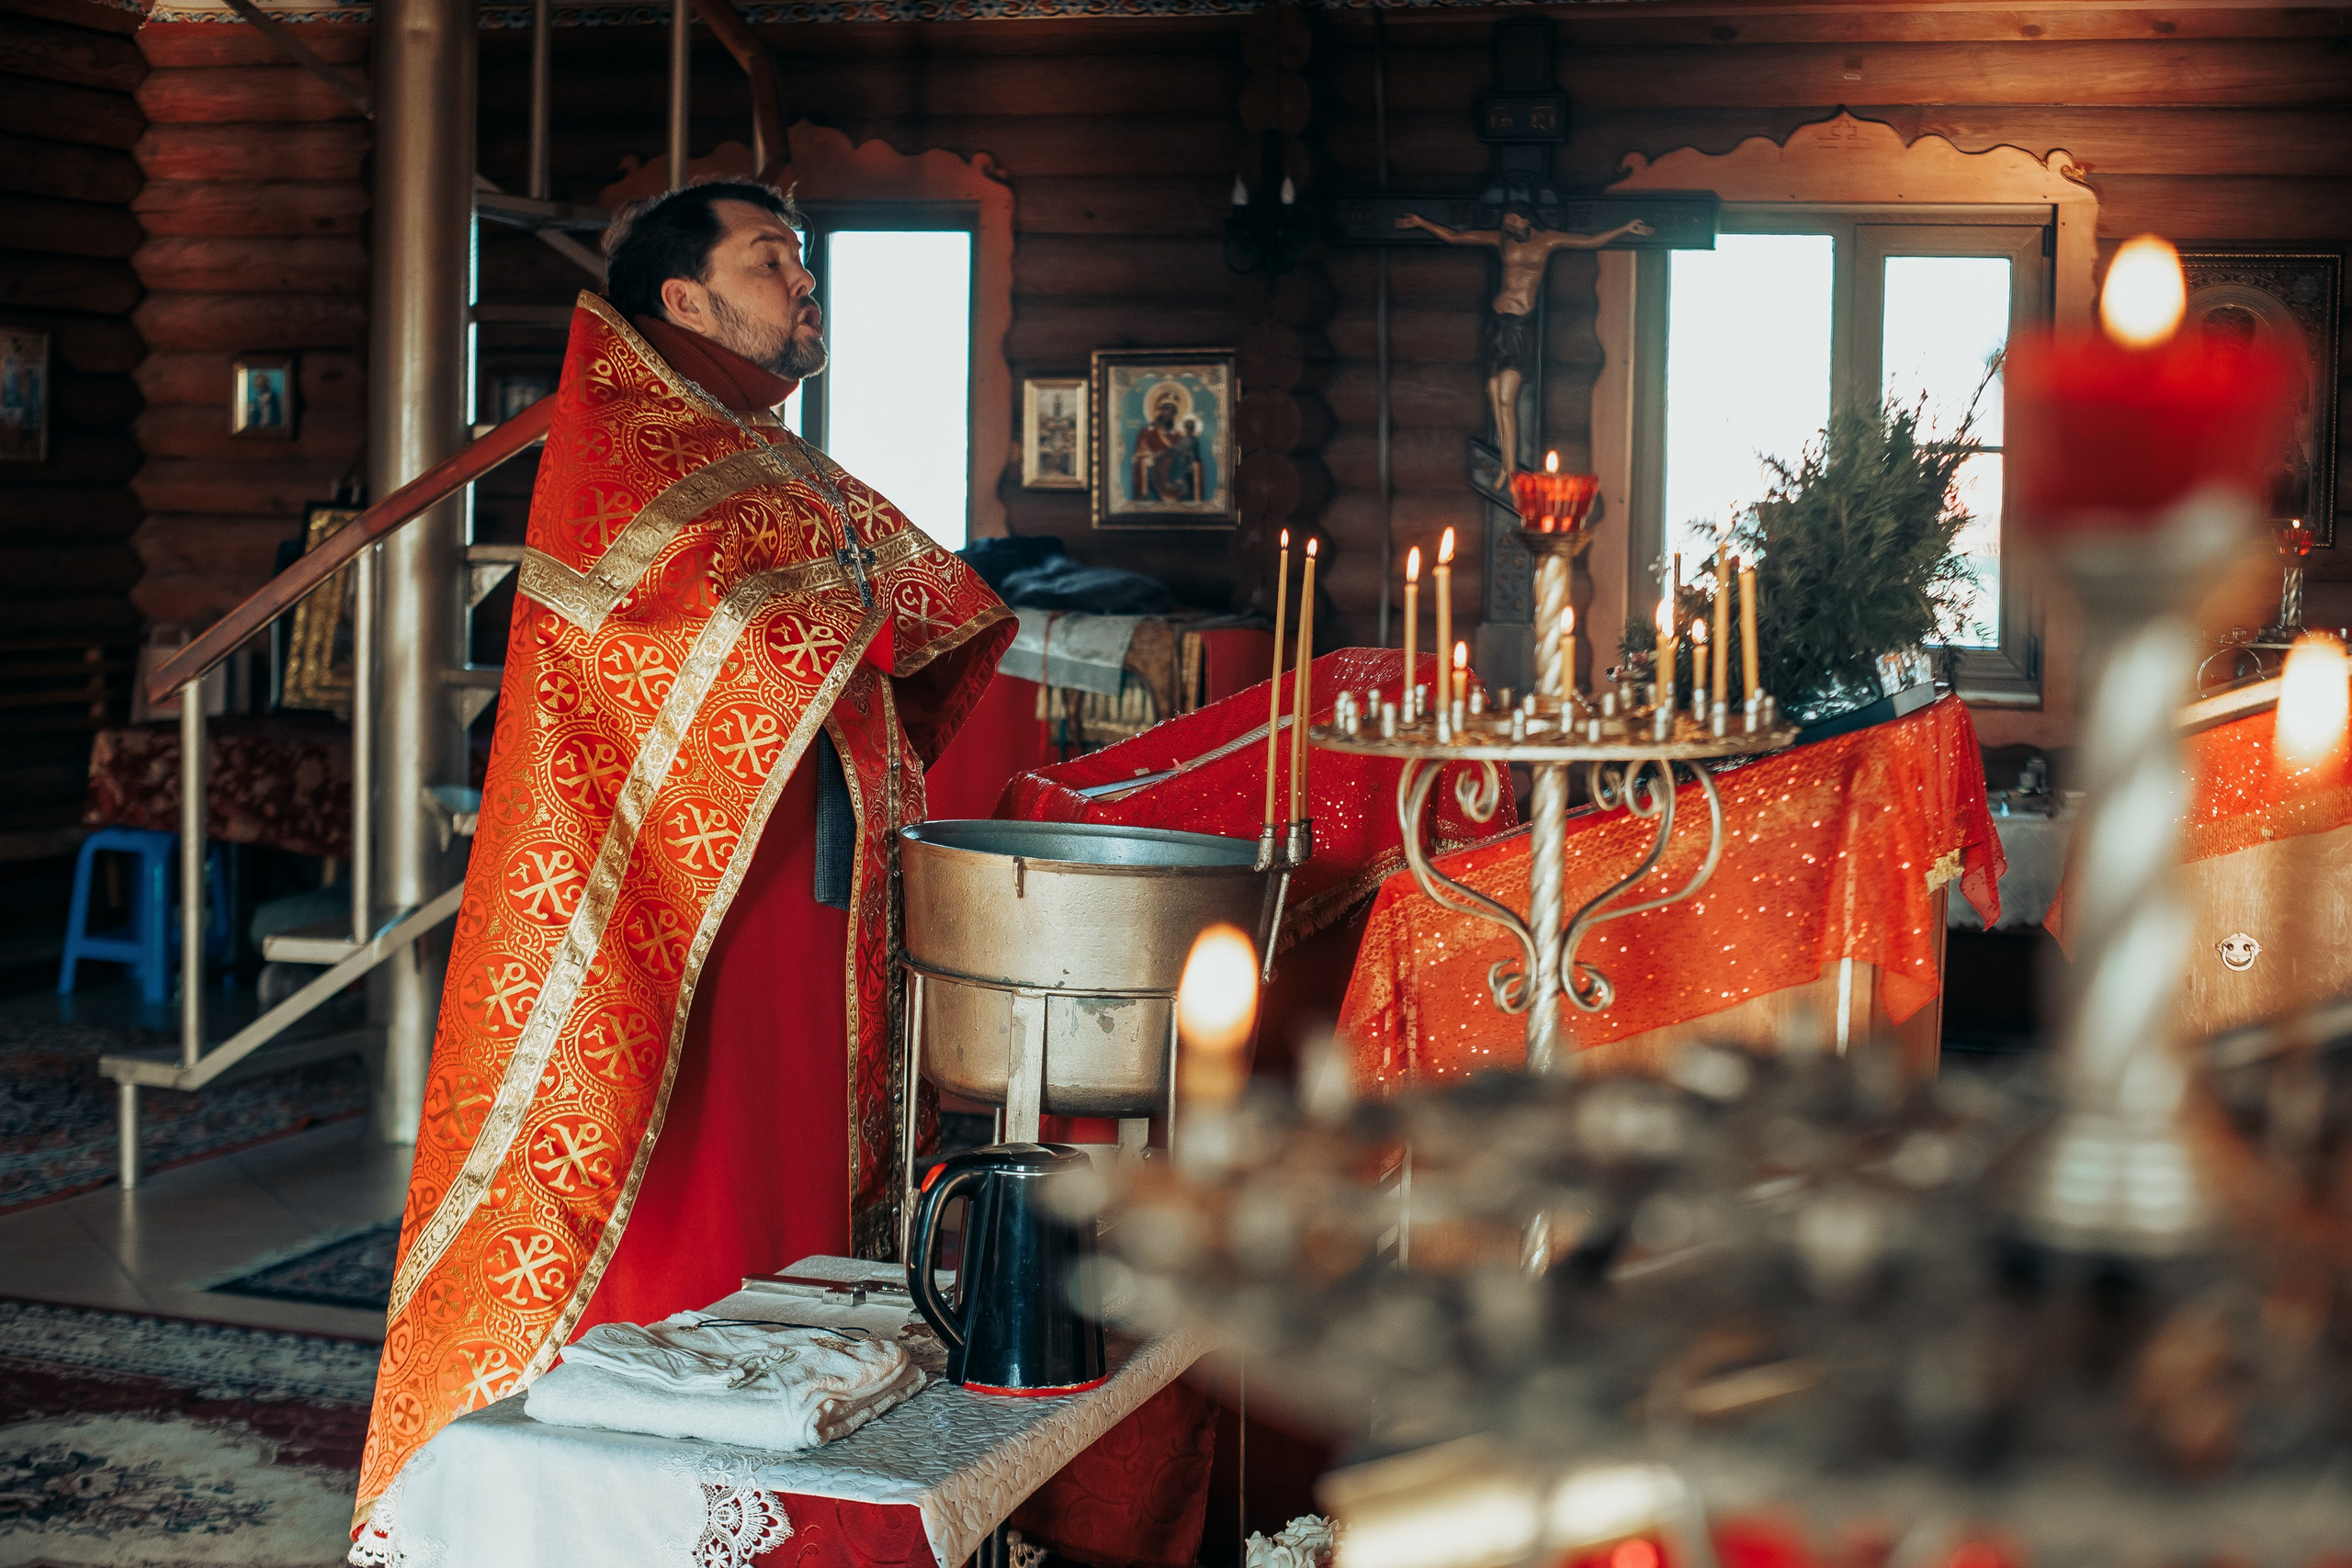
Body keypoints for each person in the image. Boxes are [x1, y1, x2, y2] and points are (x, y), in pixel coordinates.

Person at [351, 179, 1012, 1536]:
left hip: (816, 895)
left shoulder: (776, 456)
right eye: (773, 258)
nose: (803, 281)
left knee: (806, 1191)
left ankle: (811, 1463)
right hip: (695, 903)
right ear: (686, 300)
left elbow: (927, 608)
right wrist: (833, 638)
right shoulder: (633, 447)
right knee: (706, 1207)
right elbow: (657, 659)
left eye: (806, 258)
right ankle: (675, 1498)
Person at [1395, 208, 1653, 478]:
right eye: (1507, 222)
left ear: (1528, 219)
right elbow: (1456, 237)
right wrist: (1421, 222)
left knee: (1508, 398)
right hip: (1497, 321)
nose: (1510, 226)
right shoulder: (1500, 239)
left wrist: (1624, 228)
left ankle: (1509, 466)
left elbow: (1590, 241)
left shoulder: (1548, 240)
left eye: (1515, 220)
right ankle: (1507, 466)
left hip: (1520, 324)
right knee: (1494, 394)